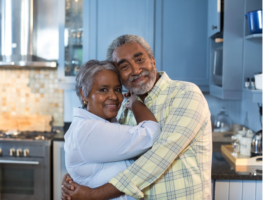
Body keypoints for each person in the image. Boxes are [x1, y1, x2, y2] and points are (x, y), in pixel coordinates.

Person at [62, 35, 212, 200]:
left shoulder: (185, 94)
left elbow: (159, 157)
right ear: (120, 75)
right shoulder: (128, 108)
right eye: (124, 66)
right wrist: (79, 176)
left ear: (152, 61)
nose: (135, 70)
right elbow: (112, 157)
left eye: (140, 60)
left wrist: (93, 193)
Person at [64, 59, 162, 200]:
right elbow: (151, 133)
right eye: (103, 90)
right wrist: (135, 102)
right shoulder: (89, 130)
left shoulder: (94, 125)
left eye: (117, 89)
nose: (114, 96)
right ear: (84, 94)